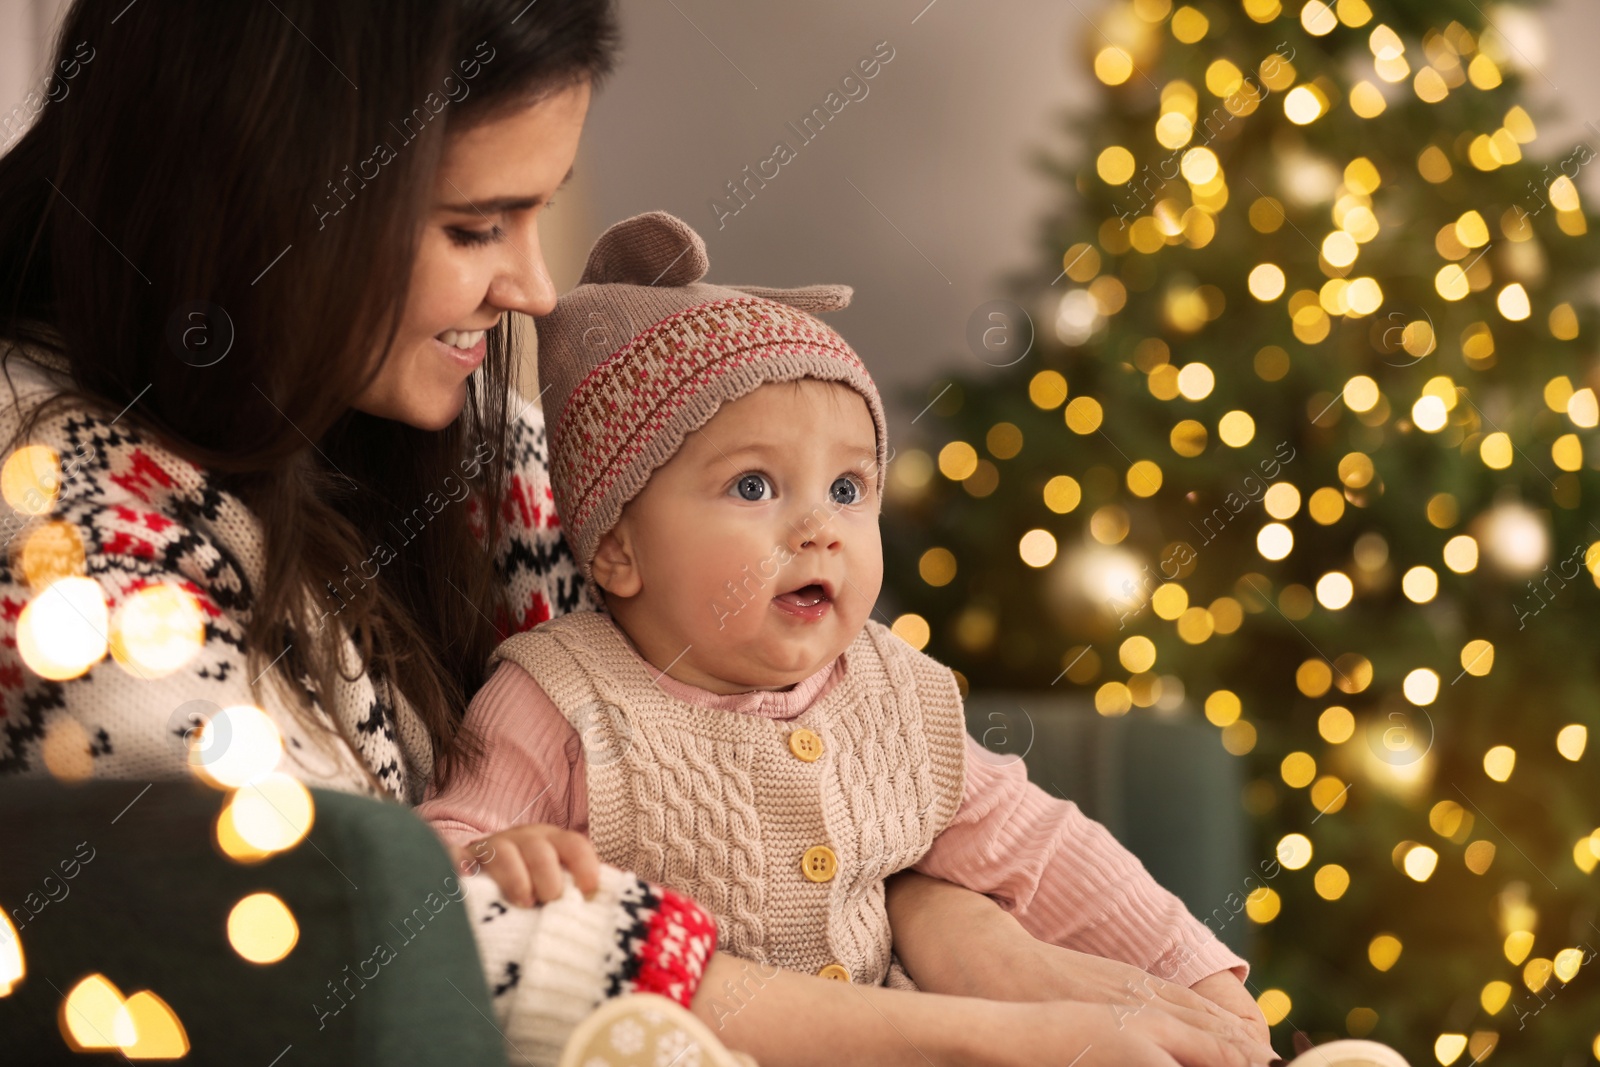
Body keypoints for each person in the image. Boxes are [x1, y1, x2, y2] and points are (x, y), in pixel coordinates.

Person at [0, 1, 1283, 1065]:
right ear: (271, 198)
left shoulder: (455, 435)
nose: (535, 286)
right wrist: (974, 1028)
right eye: (471, 227)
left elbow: (734, 725)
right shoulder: (59, 517)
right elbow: (359, 924)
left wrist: (947, 910)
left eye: (538, 211)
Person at [419, 207, 1257, 1007]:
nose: (821, 528)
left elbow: (1037, 844)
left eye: (849, 487)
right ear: (618, 548)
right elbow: (433, 856)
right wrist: (495, 853)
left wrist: (1198, 974)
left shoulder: (891, 691)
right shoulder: (559, 696)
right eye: (754, 486)